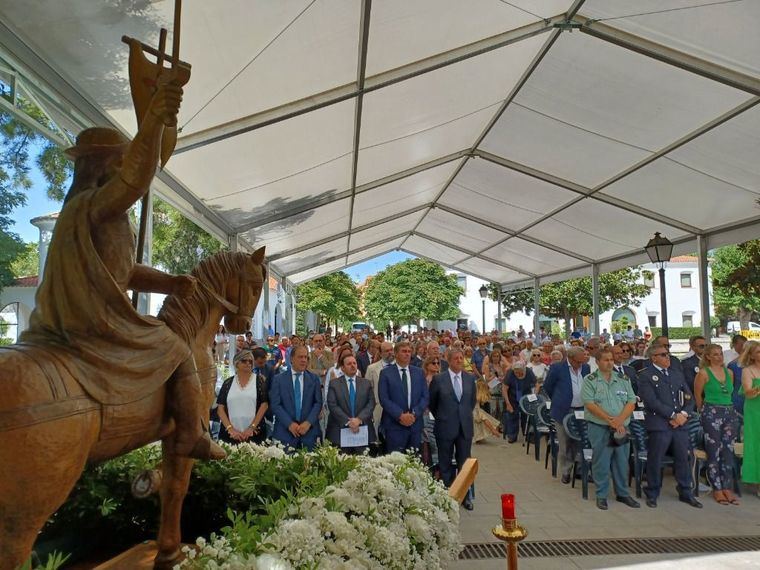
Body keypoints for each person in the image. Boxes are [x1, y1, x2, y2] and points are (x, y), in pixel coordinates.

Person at [19, 77, 225, 461]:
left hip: (85, 317)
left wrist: (170, 282)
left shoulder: (98, 215)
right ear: (102, 165)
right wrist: (154, 119)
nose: (122, 167)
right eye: (118, 160)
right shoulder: (92, 206)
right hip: (93, 322)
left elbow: (124, 272)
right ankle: (189, 433)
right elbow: (135, 179)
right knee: (177, 347)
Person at [636, 345, 701, 508]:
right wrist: (673, 415)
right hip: (659, 423)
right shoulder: (646, 375)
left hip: (680, 424)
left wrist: (683, 415)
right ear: (654, 358)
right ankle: (652, 491)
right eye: (663, 355)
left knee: (683, 458)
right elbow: (651, 401)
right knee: (656, 458)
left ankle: (685, 491)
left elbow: (689, 397)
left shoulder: (676, 374)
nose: (668, 358)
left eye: (668, 354)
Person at [582, 348, 639, 510]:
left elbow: (630, 401)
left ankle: (622, 493)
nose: (609, 363)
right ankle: (601, 495)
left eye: (611, 360)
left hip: (621, 427)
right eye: (606, 360)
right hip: (599, 427)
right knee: (602, 461)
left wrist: (620, 420)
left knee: (621, 461)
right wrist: (609, 420)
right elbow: (590, 404)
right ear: (598, 362)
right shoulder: (590, 380)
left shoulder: (623, 379)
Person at [429, 348, 477, 509]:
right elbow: (432, 403)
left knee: (465, 463)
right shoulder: (439, 379)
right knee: (445, 462)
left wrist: (462, 415)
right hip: (445, 425)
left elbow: (471, 402)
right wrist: (444, 416)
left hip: (464, 427)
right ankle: (448, 496)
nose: (459, 360)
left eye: (461, 358)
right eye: (455, 358)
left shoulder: (470, 379)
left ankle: (465, 496)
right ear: (448, 361)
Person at [693, 343, 740, 505]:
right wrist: (703, 412)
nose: (719, 357)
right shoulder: (704, 373)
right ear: (708, 356)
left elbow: (731, 393)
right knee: (714, 450)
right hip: (711, 412)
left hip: (729, 412)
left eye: (720, 354)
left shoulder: (730, 373)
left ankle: (727, 486)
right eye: (715, 354)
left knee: (728, 450)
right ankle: (717, 488)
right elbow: (697, 395)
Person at [543, 346, 591, 484]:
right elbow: (548, 386)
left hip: (582, 410)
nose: (580, 364)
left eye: (582, 361)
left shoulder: (586, 368)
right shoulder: (558, 368)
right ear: (570, 358)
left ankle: (581, 471)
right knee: (565, 443)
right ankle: (566, 471)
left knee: (582, 441)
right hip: (563, 411)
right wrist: (559, 399)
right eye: (578, 361)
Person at [378, 341, 429, 454]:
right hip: (394, 425)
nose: (407, 354)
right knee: (395, 463)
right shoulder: (386, 373)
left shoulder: (419, 372)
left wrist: (414, 414)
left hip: (415, 425)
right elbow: (384, 399)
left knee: (414, 462)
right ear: (396, 354)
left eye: (409, 352)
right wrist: (400, 415)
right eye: (404, 351)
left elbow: (425, 397)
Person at [270, 345, 322, 451]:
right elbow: (275, 405)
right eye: (300, 357)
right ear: (291, 359)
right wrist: (289, 424)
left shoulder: (314, 379)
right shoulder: (278, 380)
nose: (303, 360)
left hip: (309, 433)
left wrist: (308, 422)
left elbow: (318, 403)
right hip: (285, 432)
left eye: (306, 357)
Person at [325, 353, 376, 454]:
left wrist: (359, 419)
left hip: (362, 430)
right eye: (349, 364)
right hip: (340, 431)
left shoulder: (366, 383)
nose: (353, 365)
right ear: (342, 368)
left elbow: (371, 403)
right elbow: (332, 405)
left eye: (354, 363)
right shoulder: (334, 384)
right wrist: (349, 422)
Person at [216, 349, 269, 445]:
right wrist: (230, 429)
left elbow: (264, 405)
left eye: (251, 361)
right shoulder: (228, 383)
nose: (248, 363)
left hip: (254, 434)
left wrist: (252, 428)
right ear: (236, 363)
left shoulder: (260, 381)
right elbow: (220, 408)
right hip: (230, 435)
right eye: (244, 361)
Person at [740, 341, 760, 496]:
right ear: (752, 355)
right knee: (756, 444)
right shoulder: (748, 370)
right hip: (755, 410)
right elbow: (748, 392)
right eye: (758, 352)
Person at [503, 362, 537, 443]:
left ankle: (528, 436)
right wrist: (508, 403)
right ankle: (512, 436)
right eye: (516, 372)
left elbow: (537, 384)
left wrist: (534, 396)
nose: (517, 374)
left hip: (526, 396)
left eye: (519, 372)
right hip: (512, 396)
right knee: (512, 415)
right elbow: (504, 389)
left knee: (527, 416)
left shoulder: (528, 372)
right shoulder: (510, 373)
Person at [421, 356, 441, 471]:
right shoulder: (424, 380)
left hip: (440, 415)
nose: (436, 365)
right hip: (427, 414)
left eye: (438, 362)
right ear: (427, 365)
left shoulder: (442, 378)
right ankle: (434, 469)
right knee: (431, 443)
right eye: (433, 363)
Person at [474, 378, 501, 443]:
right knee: (484, 419)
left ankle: (479, 437)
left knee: (479, 422)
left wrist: (496, 380)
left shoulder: (474, 391)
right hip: (474, 411)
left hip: (472, 410)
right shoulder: (476, 396)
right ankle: (493, 430)